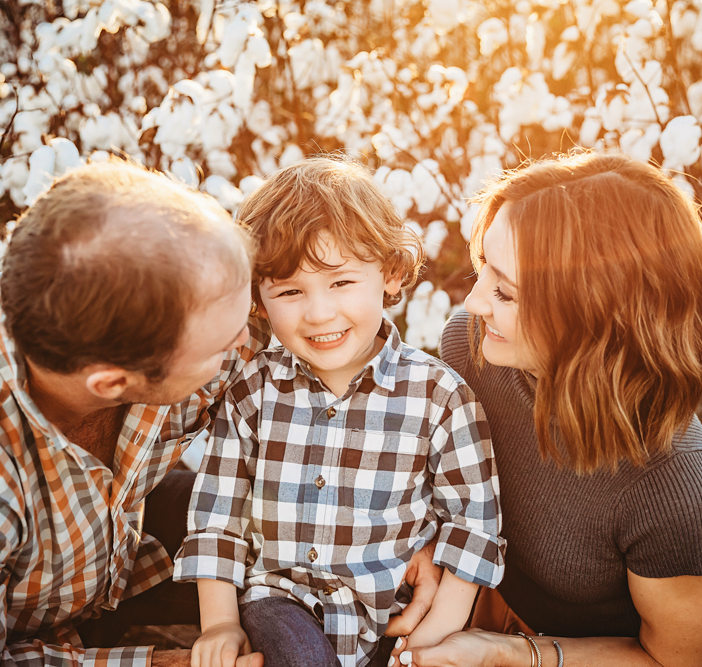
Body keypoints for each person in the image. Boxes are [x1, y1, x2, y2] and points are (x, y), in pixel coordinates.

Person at [0, 161, 274, 667]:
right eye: (223, 347)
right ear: (113, 384)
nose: (247, 340)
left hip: (120, 543)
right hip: (6, 626)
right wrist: (160, 663)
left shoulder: (168, 290)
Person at [391, 152, 702, 667]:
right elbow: (443, 478)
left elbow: (671, 661)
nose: (475, 302)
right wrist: (421, 541)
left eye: (505, 291)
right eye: (484, 268)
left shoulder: (677, 489)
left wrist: (511, 655)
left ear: (595, 313)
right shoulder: (472, 348)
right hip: (483, 597)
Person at [172, 158, 506, 667]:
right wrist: (219, 623)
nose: (319, 313)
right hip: (279, 605)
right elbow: (220, 516)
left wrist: (430, 640)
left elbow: (472, 526)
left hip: (389, 618)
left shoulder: (439, 395)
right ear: (259, 300)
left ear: (390, 275)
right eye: (289, 291)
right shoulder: (252, 390)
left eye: (341, 283)